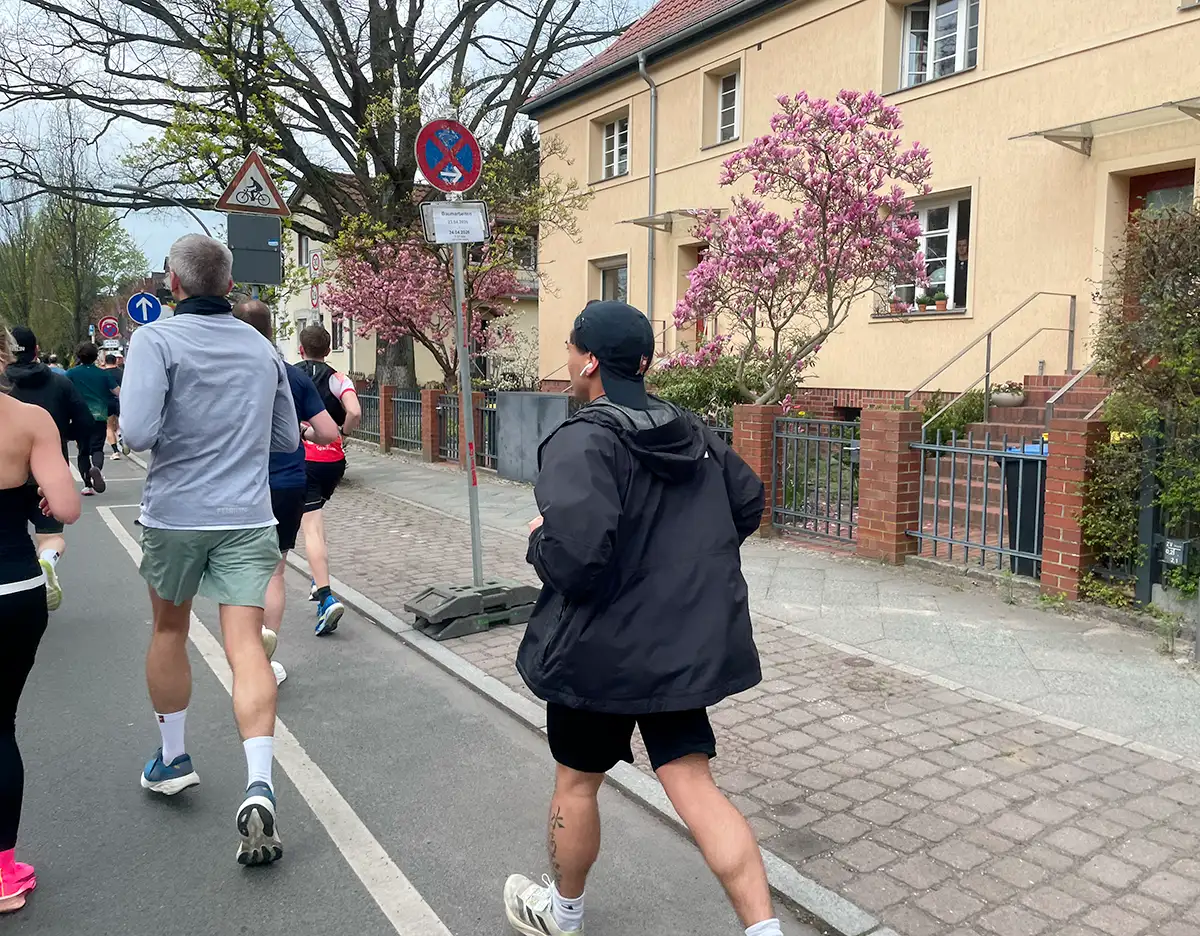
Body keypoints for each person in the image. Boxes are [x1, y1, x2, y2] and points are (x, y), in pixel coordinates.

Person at [503, 301, 781, 936]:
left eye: (572, 348)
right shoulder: (692, 431)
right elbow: (746, 502)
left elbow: (577, 561)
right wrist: (680, 558)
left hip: (599, 654)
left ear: (592, 360)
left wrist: (543, 535)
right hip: (679, 646)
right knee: (692, 781)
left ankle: (562, 915)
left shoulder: (583, 439)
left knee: (577, 783)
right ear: (646, 364)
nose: (568, 360)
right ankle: (765, 931)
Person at [120, 234, 300, 866]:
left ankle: (172, 760)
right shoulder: (261, 347)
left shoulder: (155, 340)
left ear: (173, 283)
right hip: (247, 516)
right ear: (227, 286)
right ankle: (259, 784)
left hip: (174, 516)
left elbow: (138, 431)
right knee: (246, 646)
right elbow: (283, 438)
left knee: (169, 631)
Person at [0, 322, 81, 913]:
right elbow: (68, 508)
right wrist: (45, 495)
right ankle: (3, 874)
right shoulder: (29, 420)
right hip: (14, 587)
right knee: (0, 727)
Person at [232, 300, 338, 686]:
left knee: (240, 569)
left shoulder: (221, 371)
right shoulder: (290, 376)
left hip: (238, 484)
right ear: (271, 332)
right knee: (274, 570)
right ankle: (265, 660)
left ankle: (243, 654)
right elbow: (329, 432)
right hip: (287, 482)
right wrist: (303, 431)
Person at [4, 326, 92, 610]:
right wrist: (70, 439)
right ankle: (47, 562)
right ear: (37, 349)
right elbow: (84, 420)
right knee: (51, 536)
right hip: (46, 477)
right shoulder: (58, 384)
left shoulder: (11, 385)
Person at [296, 324, 360, 636]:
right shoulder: (339, 378)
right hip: (333, 461)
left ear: (300, 349)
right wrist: (343, 434)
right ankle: (316, 578)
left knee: (311, 530)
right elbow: (355, 411)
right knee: (316, 525)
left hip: (304, 459)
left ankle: (326, 596)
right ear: (329, 349)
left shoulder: (291, 374)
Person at [65, 342, 118, 495]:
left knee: (83, 451)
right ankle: (97, 468)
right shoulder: (103, 374)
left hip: (80, 417)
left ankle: (87, 485)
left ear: (79, 356)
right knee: (97, 448)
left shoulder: (71, 374)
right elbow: (117, 391)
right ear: (96, 357)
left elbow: (65, 392)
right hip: (100, 416)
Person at [102, 353, 125, 459]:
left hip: (108, 401)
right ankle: (123, 439)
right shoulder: (122, 373)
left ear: (105, 361)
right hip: (122, 401)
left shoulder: (103, 374)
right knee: (122, 424)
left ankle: (115, 451)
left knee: (109, 427)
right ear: (115, 361)